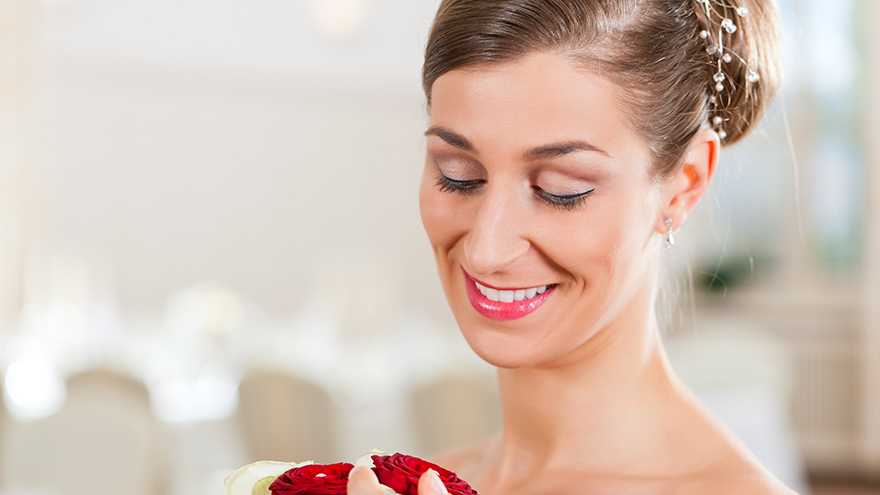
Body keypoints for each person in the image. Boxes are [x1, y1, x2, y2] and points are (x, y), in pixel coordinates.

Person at [349, 0, 795, 493]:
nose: (485, 251)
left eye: (562, 189)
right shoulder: (416, 482)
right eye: (459, 176)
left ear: (684, 184)